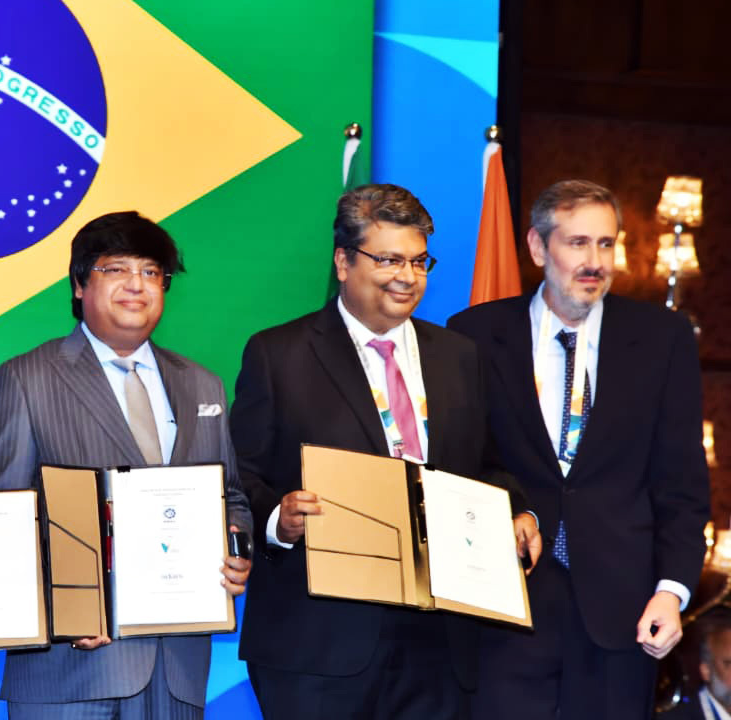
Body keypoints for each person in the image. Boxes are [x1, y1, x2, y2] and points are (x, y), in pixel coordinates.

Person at [231, 184, 540, 719]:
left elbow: (491, 465)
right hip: (319, 648)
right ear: (344, 261)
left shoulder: (460, 356)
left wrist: (518, 511)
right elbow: (242, 476)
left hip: (439, 644)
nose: (408, 277)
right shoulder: (278, 354)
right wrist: (279, 519)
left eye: (420, 261)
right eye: (389, 259)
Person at [449, 179, 710, 719]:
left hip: (623, 614)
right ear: (538, 247)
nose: (595, 261)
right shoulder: (474, 334)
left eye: (606, 244)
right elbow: (464, 462)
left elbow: (682, 485)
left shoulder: (663, 339)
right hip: (506, 606)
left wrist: (673, 591)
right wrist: (512, 507)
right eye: (578, 244)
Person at [0, 210, 253, 718]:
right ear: (80, 283)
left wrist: (236, 546)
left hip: (178, 668)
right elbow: (4, 519)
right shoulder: (26, 378)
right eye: (116, 269)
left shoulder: (202, 385)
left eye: (151, 272)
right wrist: (65, 607)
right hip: (71, 669)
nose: (136, 285)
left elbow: (231, 496)